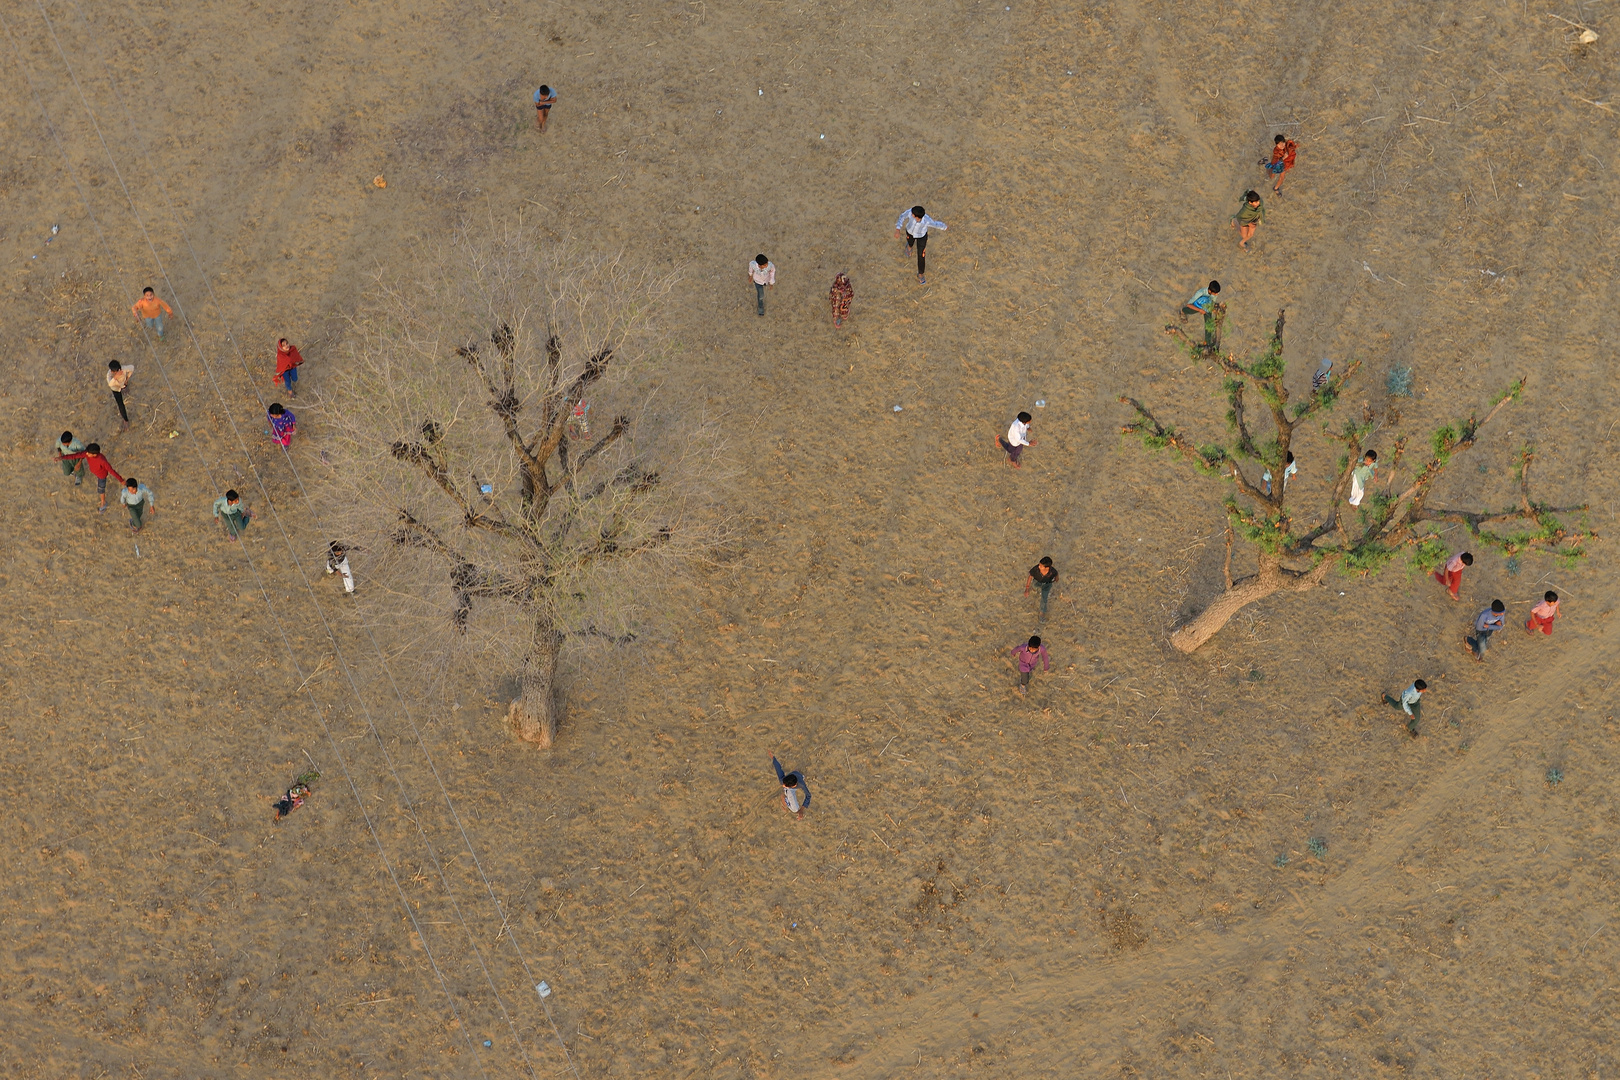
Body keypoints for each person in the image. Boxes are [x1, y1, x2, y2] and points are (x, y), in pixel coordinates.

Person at [56, 442, 122, 511]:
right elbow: (75, 456)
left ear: (94, 454)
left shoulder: (102, 460)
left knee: (101, 489)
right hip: (95, 472)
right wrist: (62, 457)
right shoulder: (87, 453)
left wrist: (121, 480)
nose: (86, 454)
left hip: (101, 476)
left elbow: (111, 471)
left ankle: (103, 502)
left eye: (88, 453)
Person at [894, 205, 946, 284]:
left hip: (921, 236)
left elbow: (935, 224)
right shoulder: (910, 212)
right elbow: (902, 216)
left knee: (921, 255)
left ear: (917, 217)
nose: (911, 215)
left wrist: (944, 227)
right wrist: (898, 229)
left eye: (913, 215)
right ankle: (909, 246)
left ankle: (921, 273)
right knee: (910, 241)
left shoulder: (926, 220)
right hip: (910, 232)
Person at [107, 360, 134, 432]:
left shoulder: (124, 369)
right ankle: (126, 420)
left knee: (124, 386)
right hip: (116, 390)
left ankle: (125, 389)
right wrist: (115, 377)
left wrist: (127, 379)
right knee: (121, 405)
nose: (111, 371)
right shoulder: (109, 375)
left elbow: (132, 368)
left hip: (123, 384)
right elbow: (110, 384)